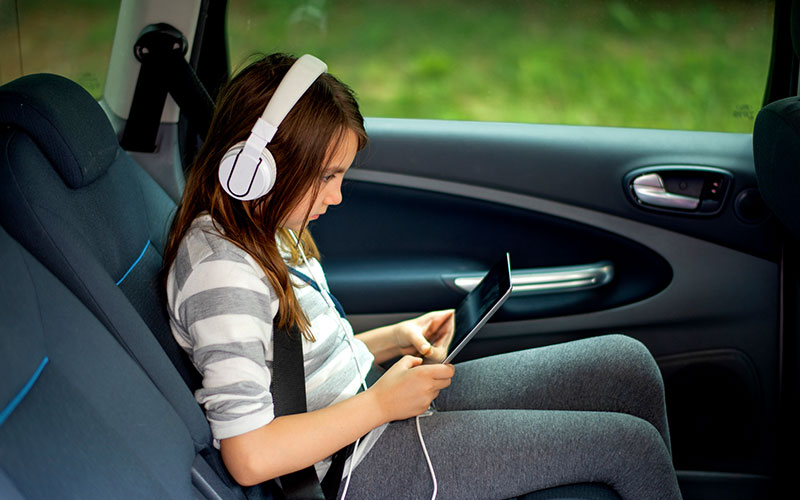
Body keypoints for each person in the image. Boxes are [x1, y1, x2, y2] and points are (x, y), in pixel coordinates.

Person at [164, 53, 682, 500]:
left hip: (367, 411)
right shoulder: (222, 275)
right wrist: (379, 404)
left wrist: (393, 339)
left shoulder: (267, 225)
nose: (337, 196)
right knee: (629, 448)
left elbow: (292, 370)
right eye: (326, 176)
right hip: (353, 467)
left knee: (627, 365)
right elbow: (249, 455)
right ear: (257, 166)